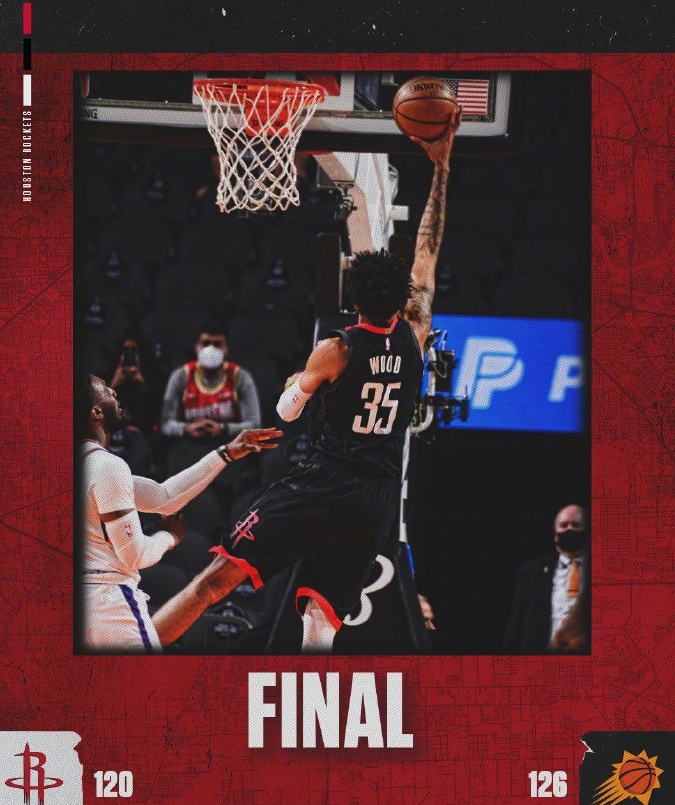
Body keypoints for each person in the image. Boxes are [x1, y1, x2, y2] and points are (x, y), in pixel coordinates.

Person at [151, 116, 461, 653]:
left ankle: (136, 654)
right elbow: (428, 248)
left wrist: (299, 380)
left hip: (325, 484)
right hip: (378, 497)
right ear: (401, 298)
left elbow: (287, 412)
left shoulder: (338, 348)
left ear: (353, 298)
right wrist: (442, 168)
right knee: (321, 615)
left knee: (214, 582)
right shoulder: (416, 329)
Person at [79, 373, 281, 653]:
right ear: (96, 412)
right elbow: (136, 556)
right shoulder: (106, 466)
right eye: (104, 389)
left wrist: (225, 453)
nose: (113, 391)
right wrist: (168, 537)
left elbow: (165, 497)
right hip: (107, 603)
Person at [502, 504, 589, 654]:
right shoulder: (531, 573)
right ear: (555, 535)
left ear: (587, 532)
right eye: (564, 525)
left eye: (576, 525)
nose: (569, 529)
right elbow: (516, 627)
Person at [160, 324, 261, 445]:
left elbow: (254, 424)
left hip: (229, 443)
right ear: (196, 347)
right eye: (205, 343)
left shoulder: (240, 377)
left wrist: (224, 428)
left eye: (217, 344)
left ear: (226, 349)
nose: (211, 349)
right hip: (189, 444)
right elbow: (166, 424)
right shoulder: (181, 375)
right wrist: (186, 428)